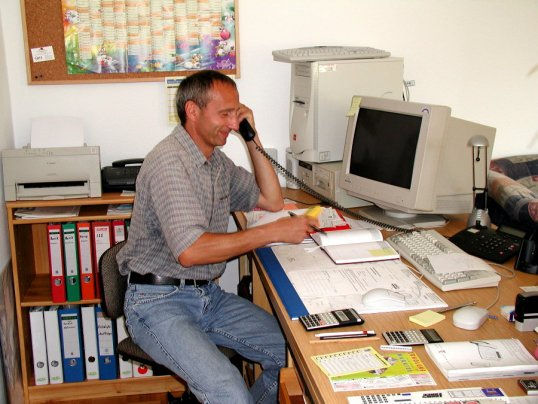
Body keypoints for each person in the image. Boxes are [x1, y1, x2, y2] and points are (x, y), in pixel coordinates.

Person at [117, 70, 319, 404]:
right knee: (228, 392)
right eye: (224, 114)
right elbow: (191, 251)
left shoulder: (215, 163)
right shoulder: (170, 163)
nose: (231, 122)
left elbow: (270, 199)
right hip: (157, 304)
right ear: (192, 111)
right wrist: (271, 231)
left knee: (290, 353)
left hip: (207, 297)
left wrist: (251, 137)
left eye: (236, 113)